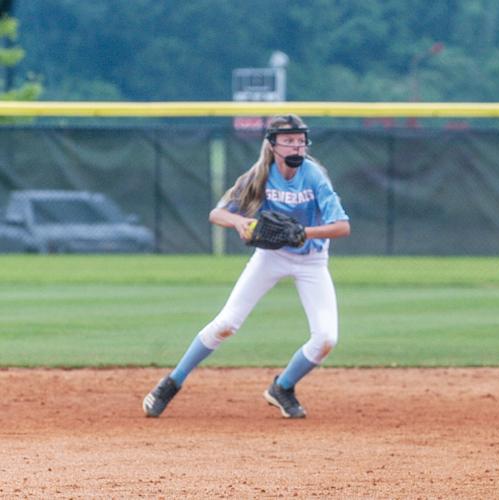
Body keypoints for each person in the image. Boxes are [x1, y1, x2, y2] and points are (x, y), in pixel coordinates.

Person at [143, 114, 350, 419]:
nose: (296, 147)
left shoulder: (315, 176)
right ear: (273, 145)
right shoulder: (259, 175)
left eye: (300, 141)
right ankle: (171, 383)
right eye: (288, 141)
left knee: (326, 339)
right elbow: (217, 214)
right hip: (271, 257)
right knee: (226, 323)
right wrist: (240, 221)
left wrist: (306, 232)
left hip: (312, 260)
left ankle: (283, 387)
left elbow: (342, 226)